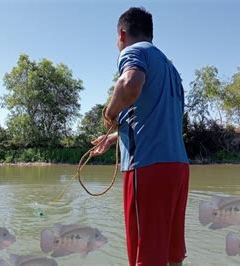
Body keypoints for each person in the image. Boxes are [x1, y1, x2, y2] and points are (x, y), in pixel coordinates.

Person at [90, 7, 190, 266]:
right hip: (177, 167)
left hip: (147, 167)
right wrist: (113, 137)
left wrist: (110, 114)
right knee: (171, 252)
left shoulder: (134, 52)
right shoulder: (170, 68)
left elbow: (129, 83)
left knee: (145, 255)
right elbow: (155, 117)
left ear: (122, 34)